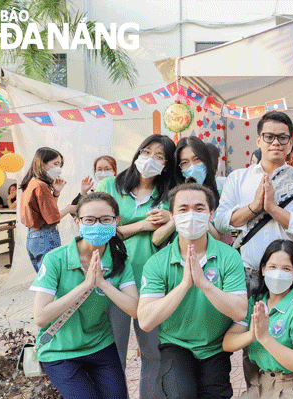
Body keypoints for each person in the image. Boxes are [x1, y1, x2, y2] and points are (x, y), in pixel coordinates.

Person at [137, 183, 247, 399]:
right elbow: (146, 321)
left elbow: (240, 311)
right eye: (183, 209)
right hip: (175, 345)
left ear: (211, 214)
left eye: (199, 208)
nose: (191, 215)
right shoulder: (157, 262)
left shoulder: (229, 257)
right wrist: (184, 285)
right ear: (172, 215)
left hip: (215, 347)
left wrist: (204, 284)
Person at [29, 192, 139, 399]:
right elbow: (41, 317)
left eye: (106, 219)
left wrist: (103, 284)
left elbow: (135, 309)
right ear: (78, 222)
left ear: (117, 222)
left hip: (100, 344)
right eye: (89, 220)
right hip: (60, 350)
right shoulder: (56, 259)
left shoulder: (119, 260)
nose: (98, 225)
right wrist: (86, 285)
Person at [96, 134, 177, 399]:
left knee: (153, 353)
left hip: (152, 284)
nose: (151, 159)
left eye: (160, 156)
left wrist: (172, 218)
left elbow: (173, 236)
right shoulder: (110, 185)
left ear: (166, 165)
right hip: (113, 279)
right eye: (147, 152)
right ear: (137, 153)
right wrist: (142, 225)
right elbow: (99, 230)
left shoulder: (168, 195)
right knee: (114, 352)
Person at [214, 111, 293, 295]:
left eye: (282, 138)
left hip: (288, 275)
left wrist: (273, 209)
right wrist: (254, 207)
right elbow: (220, 222)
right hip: (246, 273)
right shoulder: (238, 178)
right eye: (269, 137)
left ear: (290, 143)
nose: (275, 142)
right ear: (258, 140)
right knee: (245, 324)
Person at [223, 240, 293, 399]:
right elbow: (228, 343)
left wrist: (265, 337)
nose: (278, 273)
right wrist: (252, 334)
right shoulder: (255, 302)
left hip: (292, 387)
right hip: (261, 383)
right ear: (263, 269)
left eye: (286, 268)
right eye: (272, 267)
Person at [151, 136, 223, 246]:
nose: (192, 166)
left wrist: (199, 216)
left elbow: (224, 238)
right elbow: (156, 240)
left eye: (197, 159)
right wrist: (177, 217)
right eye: (185, 162)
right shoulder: (172, 197)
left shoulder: (222, 196)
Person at [20, 147, 77, 271]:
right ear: (42, 164)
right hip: (46, 237)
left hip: (33, 237)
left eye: (60, 164)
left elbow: (49, 212)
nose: (59, 169)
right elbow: (53, 218)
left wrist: (56, 193)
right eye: (55, 164)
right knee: (52, 278)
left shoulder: (31, 183)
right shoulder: (41, 186)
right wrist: (69, 209)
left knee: (44, 277)